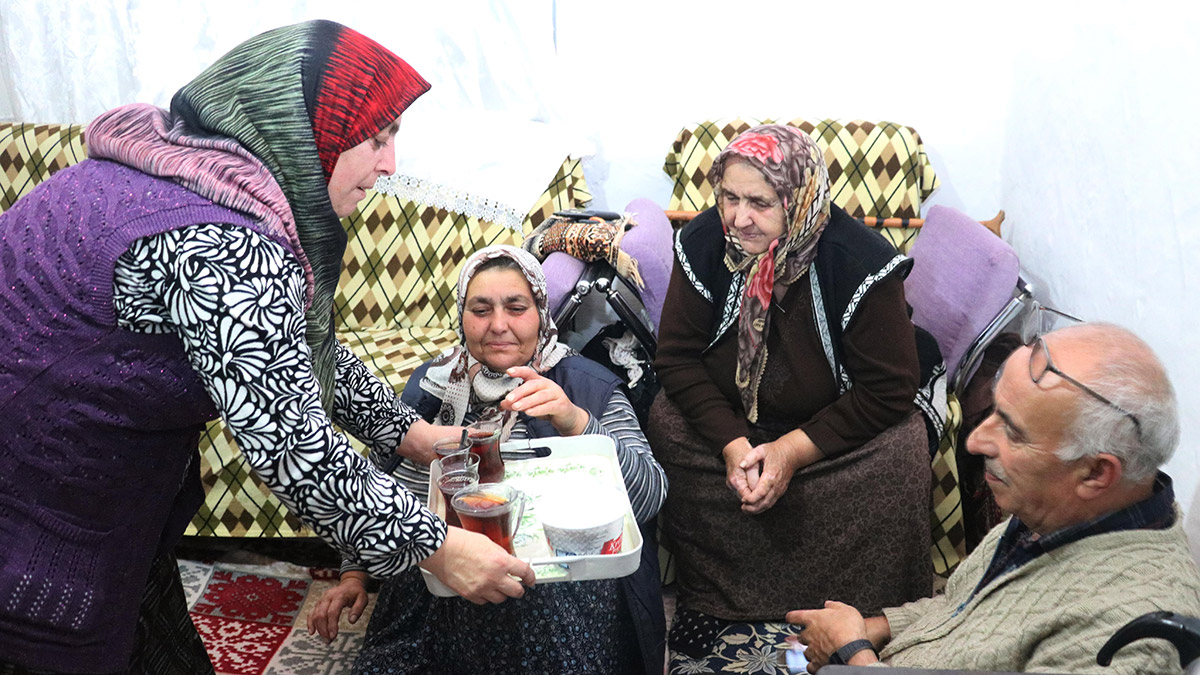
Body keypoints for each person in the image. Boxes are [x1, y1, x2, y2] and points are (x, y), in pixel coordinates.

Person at [0, 21, 534, 674]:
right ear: (305, 132)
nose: (391, 164)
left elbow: (293, 354)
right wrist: (437, 546)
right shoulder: (227, 244)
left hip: (86, 504)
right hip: (45, 524)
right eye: (376, 137)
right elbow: (291, 441)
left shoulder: (170, 174)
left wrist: (409, 433)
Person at [648, 124, 936, 666]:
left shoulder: (860, 263)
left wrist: (790, 452)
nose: (738, 218)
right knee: (665, 421)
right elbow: (677, 358)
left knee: (902, 448)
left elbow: (889, 387)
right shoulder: (706, 241)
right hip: (737, 420)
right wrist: (735, 446)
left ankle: (860, 608)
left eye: (759, 202)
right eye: (729, 197)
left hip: (828, 431)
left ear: (799, 198)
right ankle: (717, 598)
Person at [308, 245, 669, 674]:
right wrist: (354, 576)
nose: (498, 325)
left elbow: (650, 496)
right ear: (462, 317)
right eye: (481, 310)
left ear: (541, 314)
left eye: (516, 308)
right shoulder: (434, 385)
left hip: (560, 590)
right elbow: (378, 487)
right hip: (444, 583)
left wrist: (575, 421)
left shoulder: (587, 385)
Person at [791, 322, 1200, 674]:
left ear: (1095, 472)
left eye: (1013, 432)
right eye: (993, 413)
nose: (975, 440)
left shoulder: (1129, 631)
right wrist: (876, 627)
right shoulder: (1060, 515)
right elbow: (966, 611)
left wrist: (853, 656)